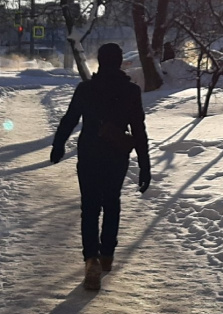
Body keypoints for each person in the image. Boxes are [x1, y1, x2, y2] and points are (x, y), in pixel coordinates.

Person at [51, 42, 152, 291]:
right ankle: (106, 255)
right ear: (119, 63)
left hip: (89, 155)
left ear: (99, 61)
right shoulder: (130, 91)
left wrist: (58, 145)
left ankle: (91, 260)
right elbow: (138, 130)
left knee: (90, 208)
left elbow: (70, 119)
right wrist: (145, 164)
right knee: (112, 203)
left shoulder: (87, 89)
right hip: (116, 156)